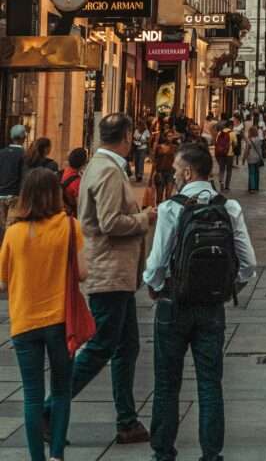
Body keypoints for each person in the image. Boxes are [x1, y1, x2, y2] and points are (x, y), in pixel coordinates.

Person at [44, 112, 156, 445]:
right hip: (109, 273)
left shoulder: (98, 165)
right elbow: (110, 223)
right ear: (126, 136)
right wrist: (144, 217)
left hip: (118, 274)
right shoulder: (107, 171)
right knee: (100, 347)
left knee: (127, 346)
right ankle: (48, 411)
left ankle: (127, 420)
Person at [143, 142, 256, 461]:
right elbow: (249, 263)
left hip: (173, 305)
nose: (174, 174)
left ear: (189, 171)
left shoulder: (170, 208)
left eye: (177, 169)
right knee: (210, 383)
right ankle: (211, 454)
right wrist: (228, 287)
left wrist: (153, 286)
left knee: (167, 383)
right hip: (211, 309)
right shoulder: (228, 207)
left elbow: (156, 263)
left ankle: (163, 452)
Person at [0, 169, 88, 461]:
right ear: (55, 194)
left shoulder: (13, 233)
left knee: (32, 393)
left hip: (24, 321)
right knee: (61, 390)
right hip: (61, 322)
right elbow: (83, 273)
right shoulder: (69, 226)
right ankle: (57, 455)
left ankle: (36, 457)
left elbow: (2, 280)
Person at [0, 123, 27, 242]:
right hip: (15, 196)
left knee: (2, 227)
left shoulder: (2, 153)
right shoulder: (24, 155)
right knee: (11, 228)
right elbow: (24, 176)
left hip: (1, 194)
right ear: (23, 138)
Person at [60, 148, 88, 217]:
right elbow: (81, 207)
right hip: (72, 216)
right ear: (83, 163)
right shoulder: (77, 183)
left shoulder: (64, 172)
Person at [151, 130, 176, 204]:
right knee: (159, 196)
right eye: (168, 136)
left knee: (169, 195)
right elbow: (154, 162)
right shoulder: (159, 147)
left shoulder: (174, 147)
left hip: (170, 173)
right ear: (165, 137)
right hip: (160, 172)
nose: (170, 138)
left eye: (171, 136)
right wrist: (151, 177)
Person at [214, 120, 237, 192]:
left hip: (221, 153)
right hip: (229, 154)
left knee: (221, 169)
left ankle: (221, 183)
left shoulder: (220, 133)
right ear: (230, 126)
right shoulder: (232, 133)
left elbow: (216, 142)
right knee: (229, 170)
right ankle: (227, 187)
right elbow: (235, 144)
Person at [243, 124, 264, 193]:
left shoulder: (249, 140)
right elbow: (260, 149)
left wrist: (244, 158)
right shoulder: (258, 140)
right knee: (257, 172)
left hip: (250, 158)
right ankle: (256, 187)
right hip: (257, 158)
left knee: (251, 173)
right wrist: (261, 157)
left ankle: (252, 188)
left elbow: (246, 150)